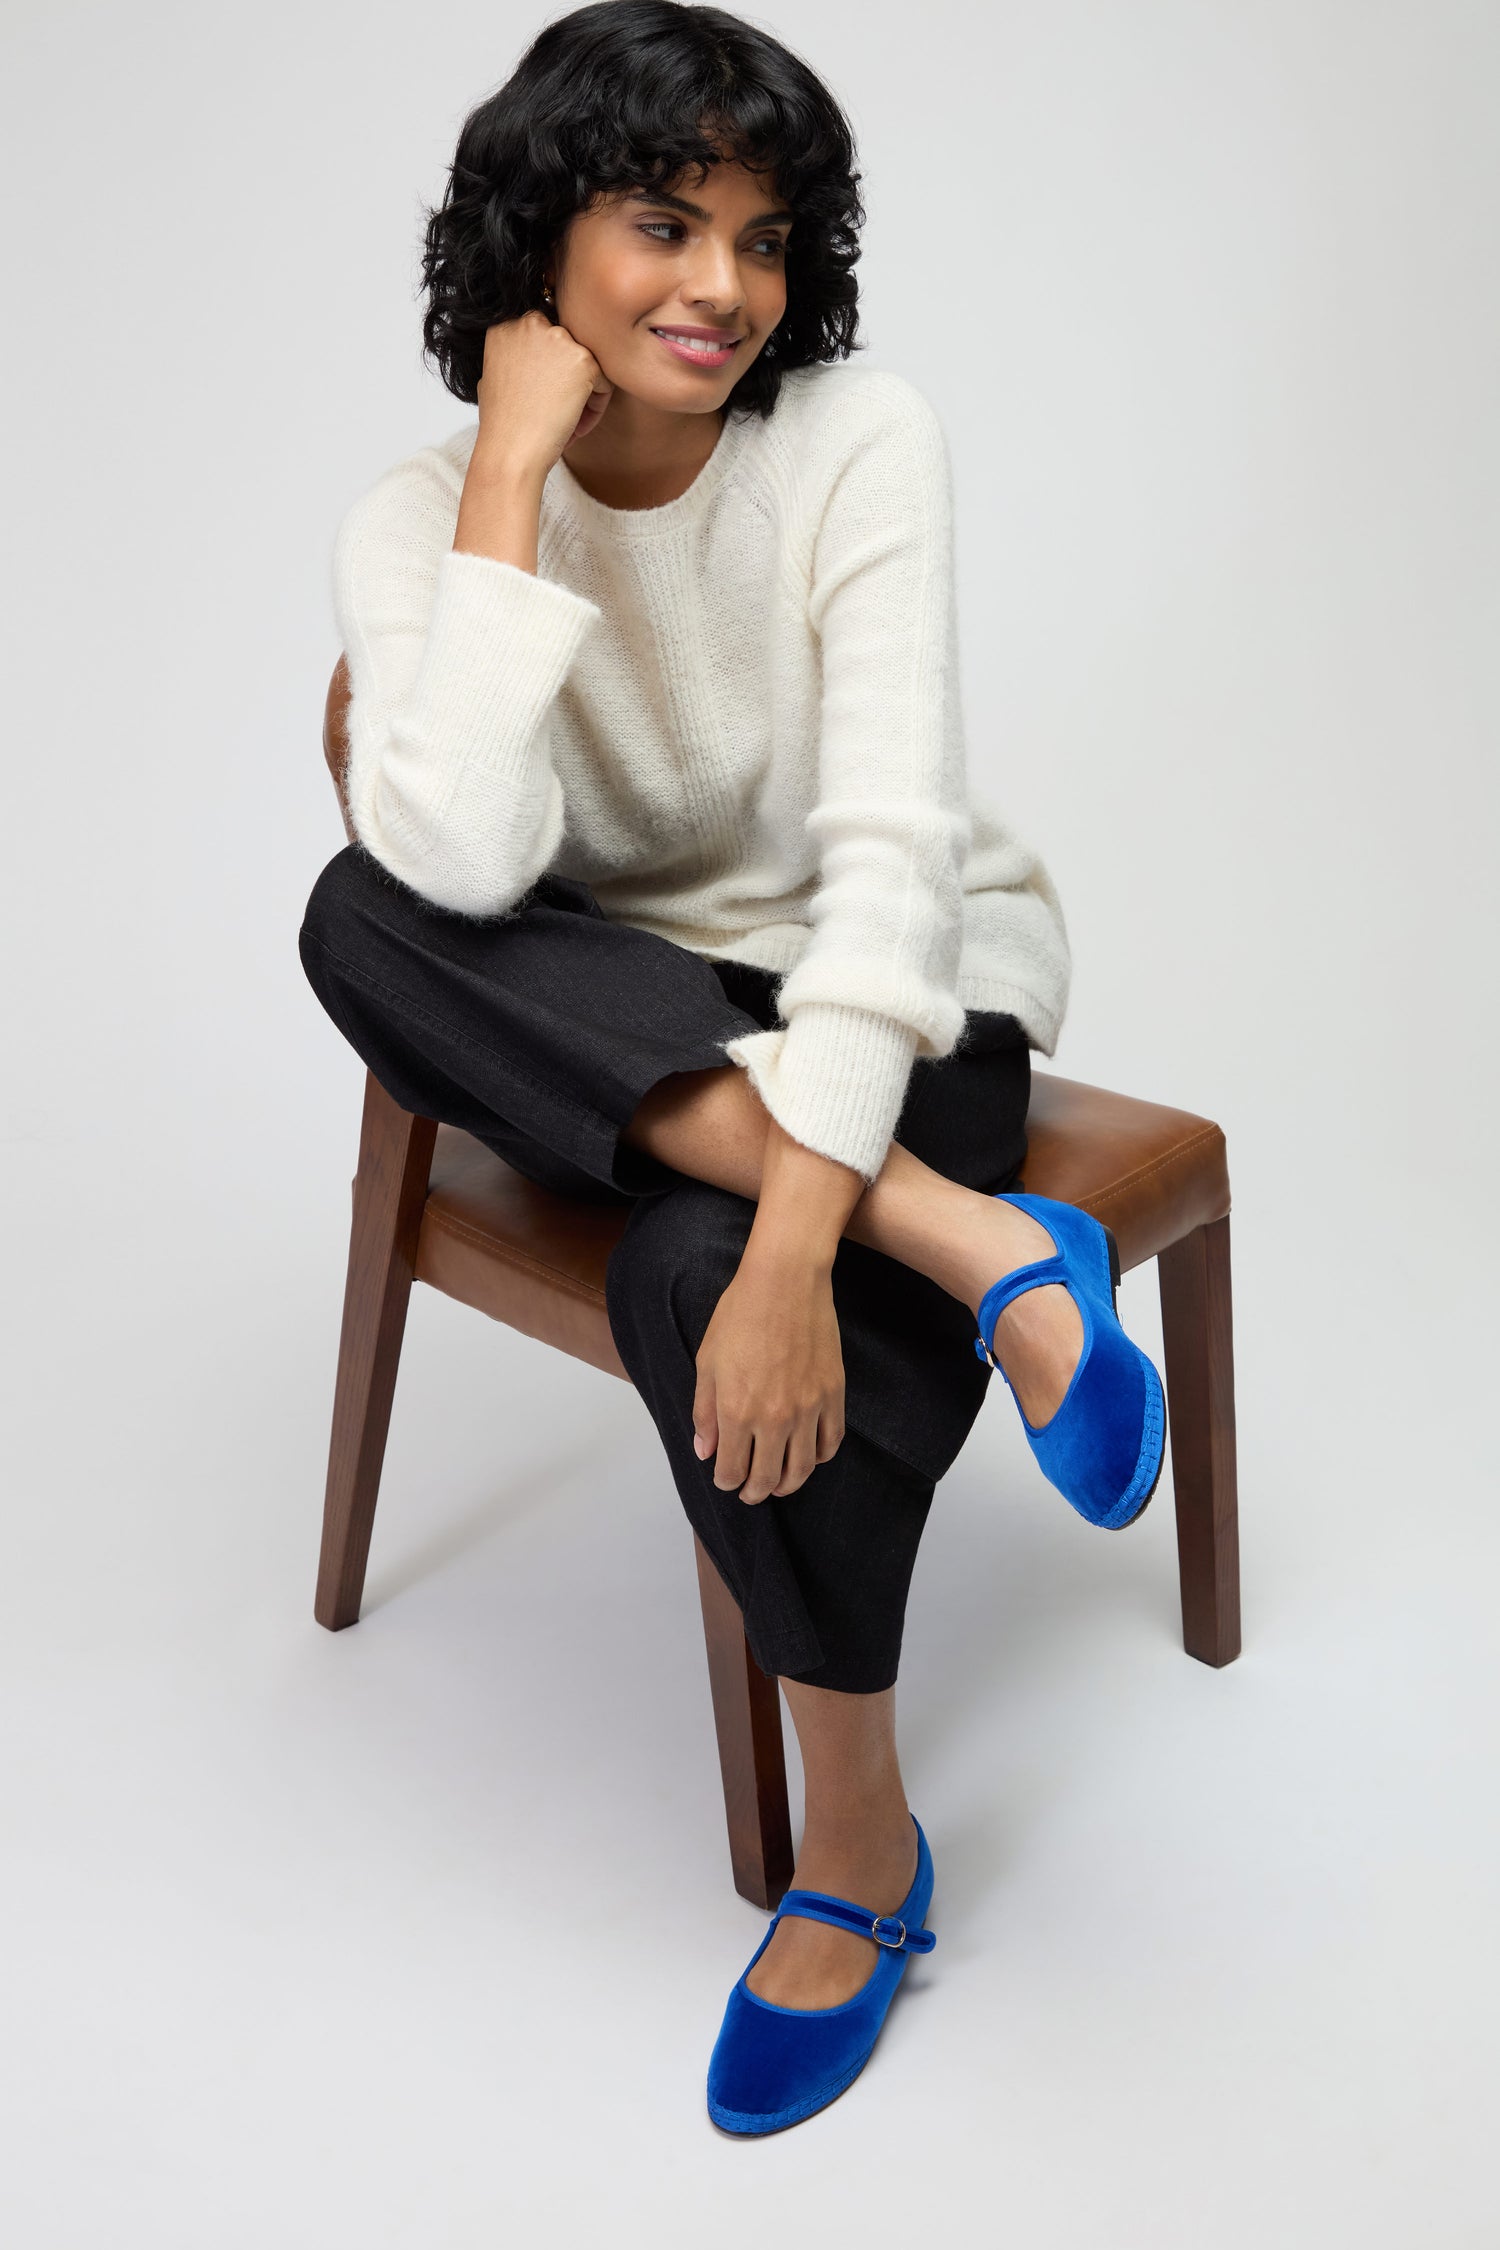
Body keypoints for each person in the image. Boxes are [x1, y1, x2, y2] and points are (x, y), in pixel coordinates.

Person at [298, 0, 1164, 2136]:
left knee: (702, 1280)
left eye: (766, 240)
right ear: (539, 244)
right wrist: (508, 480)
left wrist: (788, 1247)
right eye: (665, 222)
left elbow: (886, 880)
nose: (723, 287)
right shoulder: (426, 517)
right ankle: (982, 1249)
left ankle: (852, 1851)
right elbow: (459, 865)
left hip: (897, 997)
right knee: (359, 908)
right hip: (634, 1016)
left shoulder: (859, 437)